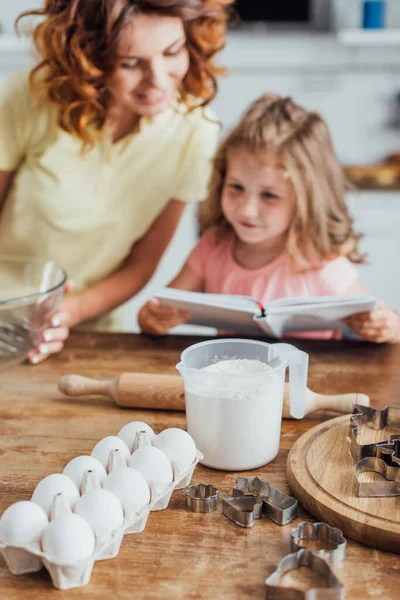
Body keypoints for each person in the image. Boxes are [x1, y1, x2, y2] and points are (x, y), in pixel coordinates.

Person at [0, 0, 233, 363]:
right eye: (130, 63)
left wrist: (66, 313)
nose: (157, 79)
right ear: (88, 58)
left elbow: (142, 264)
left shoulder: (195, 130)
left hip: (93, 337)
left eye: (172, 52)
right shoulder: (28, 97)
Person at [138, 93, 400, 343]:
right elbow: (158, 310)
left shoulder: (321, 261)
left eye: (270, 196)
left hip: (309, 384)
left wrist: (385, 327)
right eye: (236, 188)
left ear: (306, 200)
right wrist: (152, 319)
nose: (247, 209)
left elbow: (387, 326)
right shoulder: (212, 247)